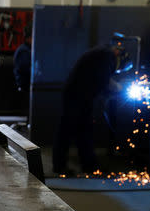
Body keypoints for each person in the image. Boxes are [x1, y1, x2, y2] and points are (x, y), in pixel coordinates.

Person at [52, 45, 131, 174]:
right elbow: (104, 81)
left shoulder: (103, 55)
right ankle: (60, 166)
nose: (118, 70)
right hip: (76, 95)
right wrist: (119, 88)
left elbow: (100, 79)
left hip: (81, 94)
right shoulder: (107, 57)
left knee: (84, 131)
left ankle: (89, 166)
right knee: (66, 131)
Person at [13, 24, 32, 94]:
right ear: (28, 38)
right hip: (25, 87)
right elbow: (26, 70)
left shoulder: (27, 49)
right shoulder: (24, 51)